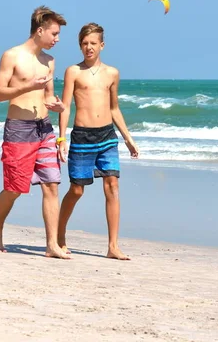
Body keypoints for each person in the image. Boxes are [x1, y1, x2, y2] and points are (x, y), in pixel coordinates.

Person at [0, 5, 70, 259]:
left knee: (52, 185)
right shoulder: (11, 56)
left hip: (44, 128)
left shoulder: (49, 61)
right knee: (14, 188)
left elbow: (47, 96)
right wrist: (25, 86)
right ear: (40, 30)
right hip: (19, 129)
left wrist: (56, 106)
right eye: (54, 33)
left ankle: (51, 245)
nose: (57, 39)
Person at [57, 22, 139, 260]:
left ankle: (113, 246)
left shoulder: (112, 73)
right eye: (84, 43)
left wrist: (128, 138)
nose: (88, 47)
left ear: (102, 45)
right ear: (80, 46)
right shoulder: (73, 71)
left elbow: (114, 108)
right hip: (82, 137)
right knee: (77, 190)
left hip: (107, 136)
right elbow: (65, 107)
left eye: (93, 43)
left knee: (112, 186)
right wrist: (61, 138)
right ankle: (59, 236)